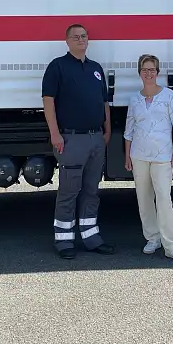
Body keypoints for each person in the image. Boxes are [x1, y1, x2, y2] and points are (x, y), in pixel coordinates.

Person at [41, 23, 115, 260]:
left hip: (96, 139)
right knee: (69, 191)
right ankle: (64, 241)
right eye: (76, 37)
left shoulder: (95, 68)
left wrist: (107, 130)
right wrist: (55, 134)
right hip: (71, 139)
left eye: (84, 36)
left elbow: (104, 102)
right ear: (67, 41)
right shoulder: (58, 66)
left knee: (92, 191)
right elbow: (48, 101)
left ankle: (91, 238)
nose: (81, 39)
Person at [123, 54, 173, 263]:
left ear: (157, 72)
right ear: (139, 73)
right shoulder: (135, 99)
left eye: (152, 69)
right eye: (145, 70)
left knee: (164, 200)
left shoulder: (168, 95)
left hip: (162, 155)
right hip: (139, 156)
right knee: (143, 199)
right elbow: (129, 130)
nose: (148, 73)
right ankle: (152, 238)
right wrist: (128, 155)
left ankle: (171, 246)